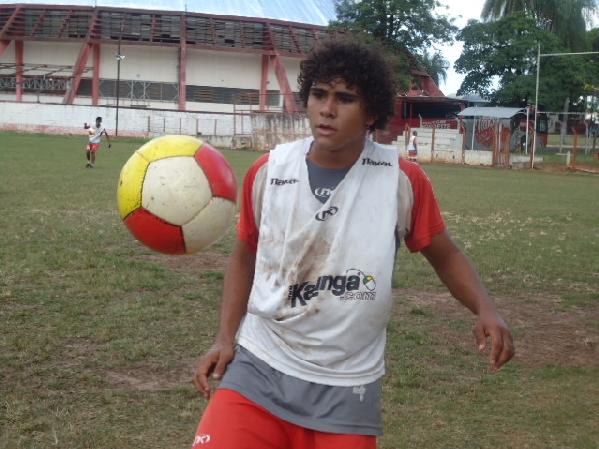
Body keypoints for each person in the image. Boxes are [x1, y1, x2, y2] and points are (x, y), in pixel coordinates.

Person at [191, 37, 514, 449]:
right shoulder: (268, 173)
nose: (327, 109)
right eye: (319, 95)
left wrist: (486, 307)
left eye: (345, 98)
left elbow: (445, 254)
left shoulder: (401, 181)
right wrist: (224, 338)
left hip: (347, 387)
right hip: (260, 368)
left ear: (371, 112)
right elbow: (244, 257)